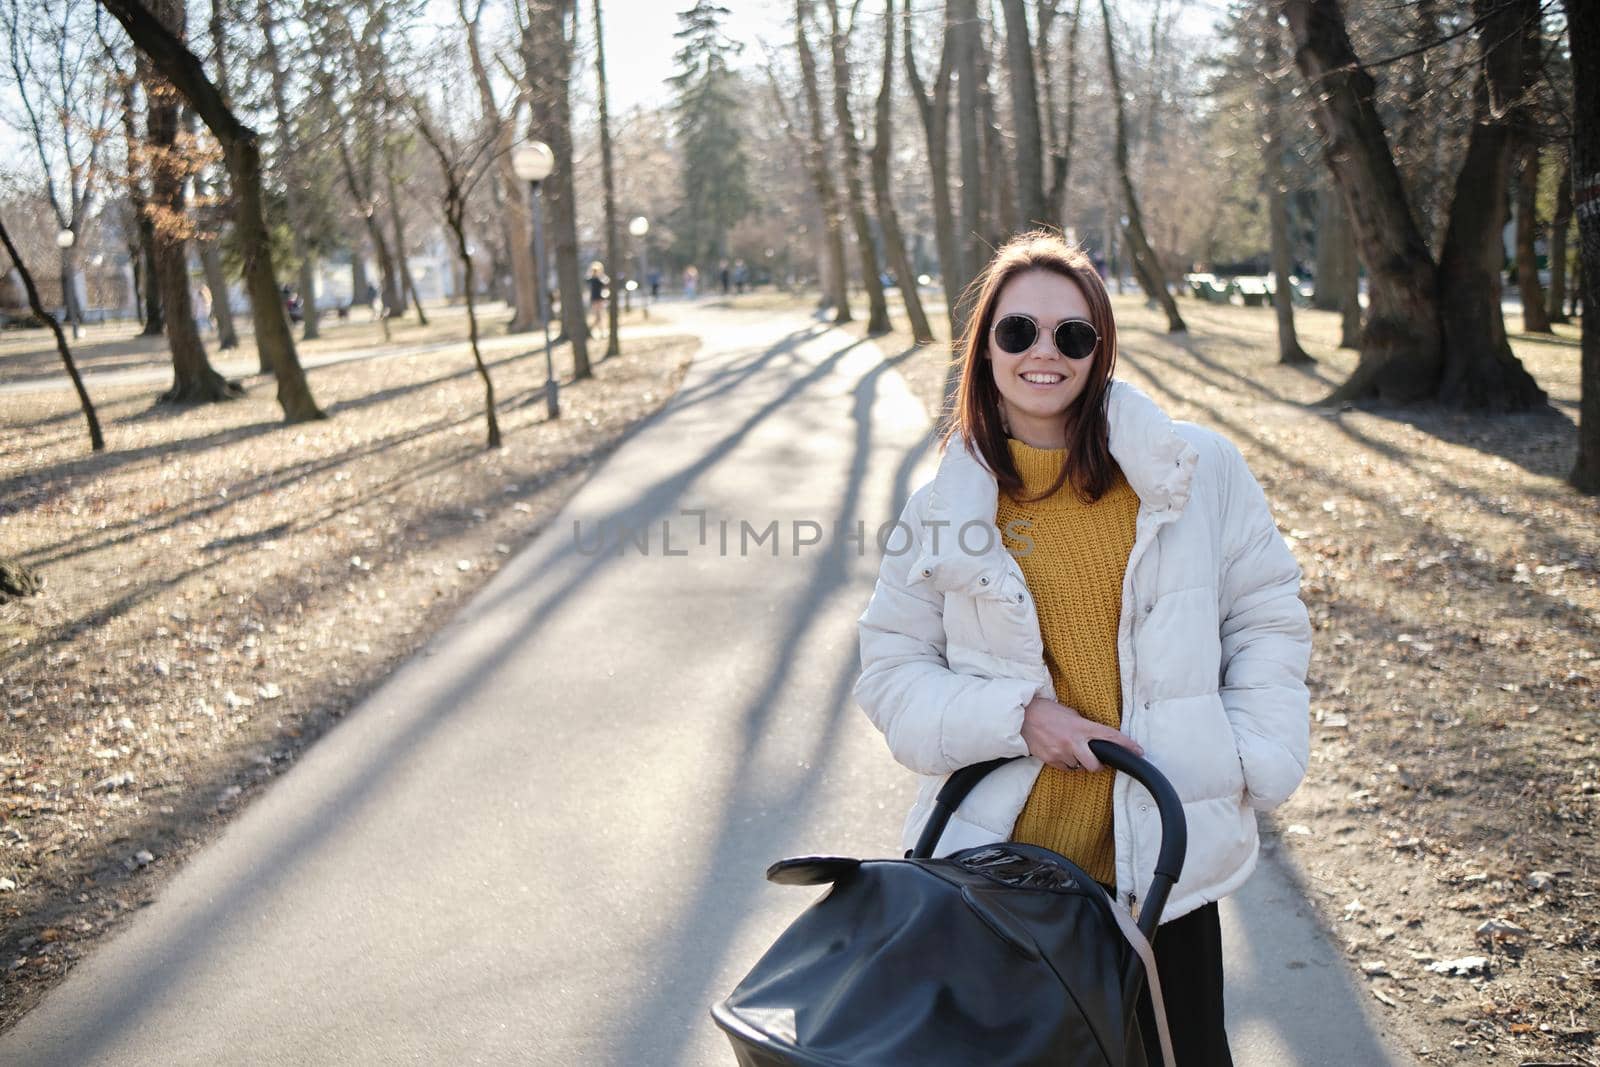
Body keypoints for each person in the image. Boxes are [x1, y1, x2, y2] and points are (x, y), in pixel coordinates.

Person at [852, 231, 1312, 1065]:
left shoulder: (1193, 469)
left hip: (1165, 870)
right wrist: (1021, 717)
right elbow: (890, 672)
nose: (1044, 353)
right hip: (1000, 873)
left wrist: (1248, 753)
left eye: (1073, 334)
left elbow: (1266, 614)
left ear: (1100, 349)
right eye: (1017, 330)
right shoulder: (943, 507)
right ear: (983, 344)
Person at [586, 261, 608, 336]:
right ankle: (594, 330)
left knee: (600, 316)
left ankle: (600, 331)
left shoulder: (599, 279)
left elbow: (605, 283)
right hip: (595, 299)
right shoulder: (591, 279)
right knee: (597, 316)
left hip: (599, 299)